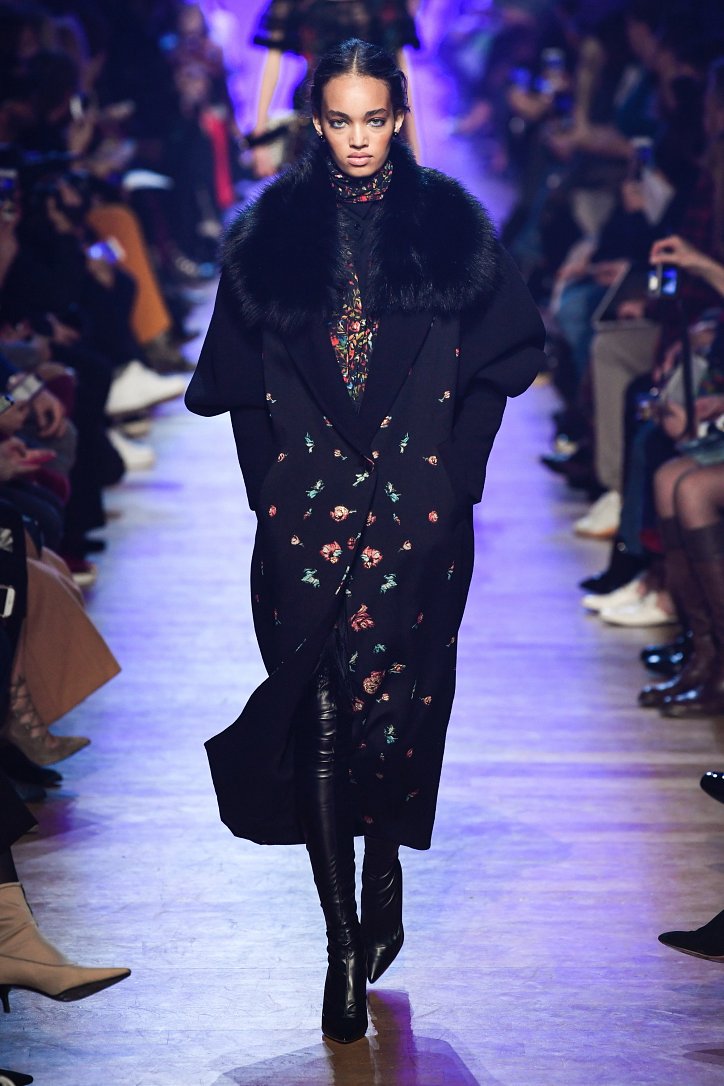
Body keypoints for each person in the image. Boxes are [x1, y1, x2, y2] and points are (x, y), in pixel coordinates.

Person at [186, 38, 544, 1045]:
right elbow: (235, 386)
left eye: (373, 119)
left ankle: (382, 858)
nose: (356, 139)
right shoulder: (267, 239)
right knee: (320, 715)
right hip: (303, 517)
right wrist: (267, 493)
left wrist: (458, 474)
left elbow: (505, 357)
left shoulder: (448, 230)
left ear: (398, 118)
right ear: (317, 122)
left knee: (396, 710)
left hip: (416, 517)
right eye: (339, 120)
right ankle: (340, 945)